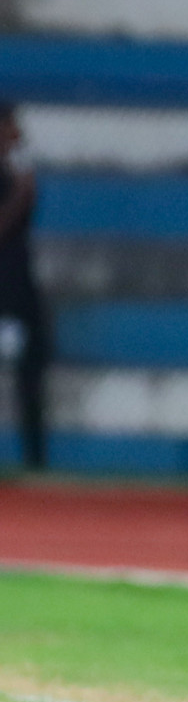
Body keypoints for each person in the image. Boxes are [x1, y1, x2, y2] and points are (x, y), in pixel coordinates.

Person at [0, 103, 46, 469]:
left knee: (33, 361)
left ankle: (35, 457)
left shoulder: (14, 171)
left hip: (17, 283)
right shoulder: (15, 181)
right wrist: (20, 196)